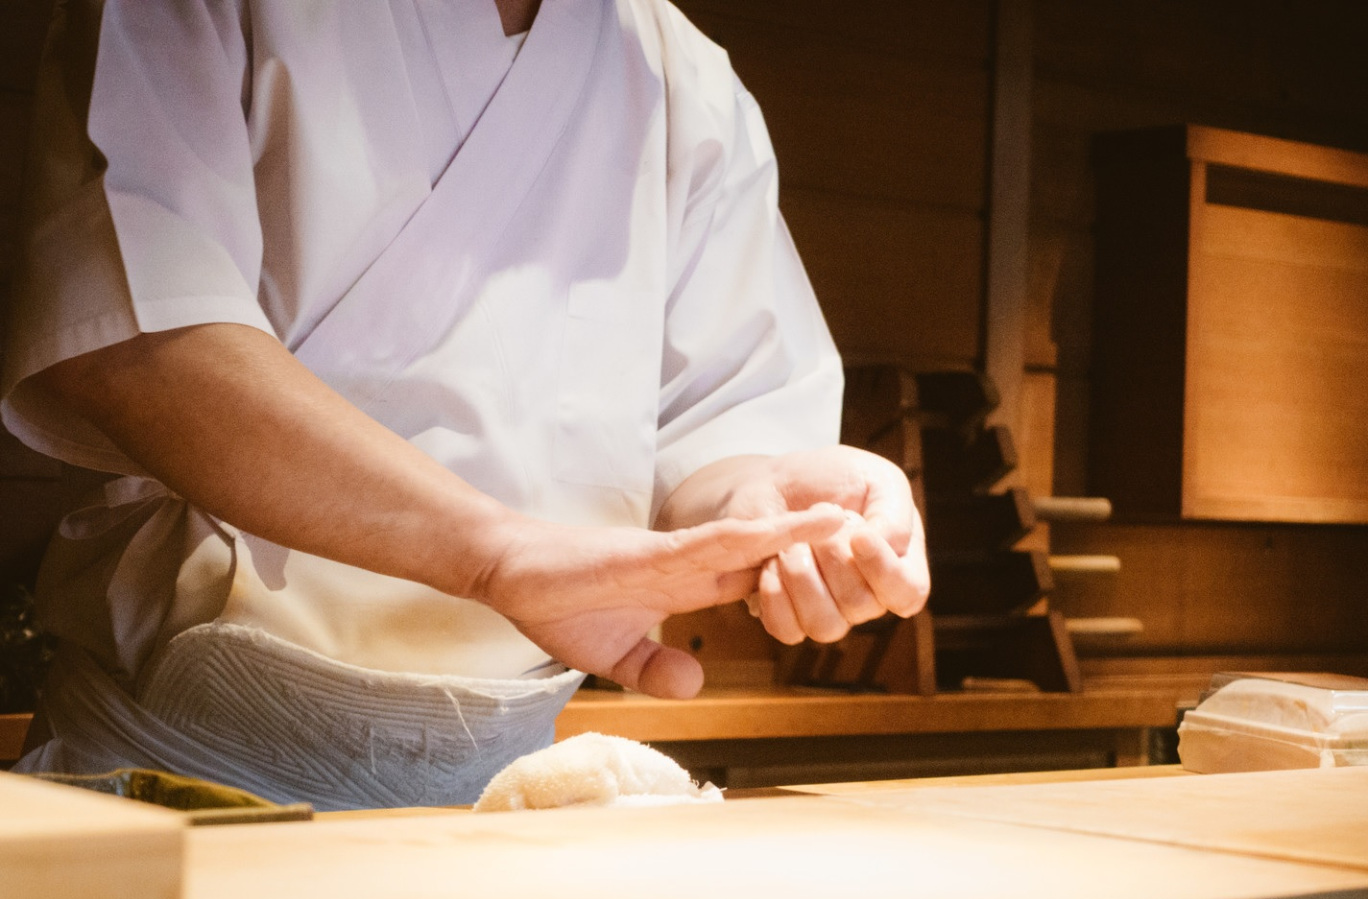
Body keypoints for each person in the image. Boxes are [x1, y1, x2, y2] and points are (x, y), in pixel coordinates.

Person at [0, 0, 928, 808]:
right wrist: (497, 556)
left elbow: (715, 427)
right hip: (177, 773)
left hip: (499, 796)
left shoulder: (687, 86)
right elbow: (136, 337)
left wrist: (760, 503)